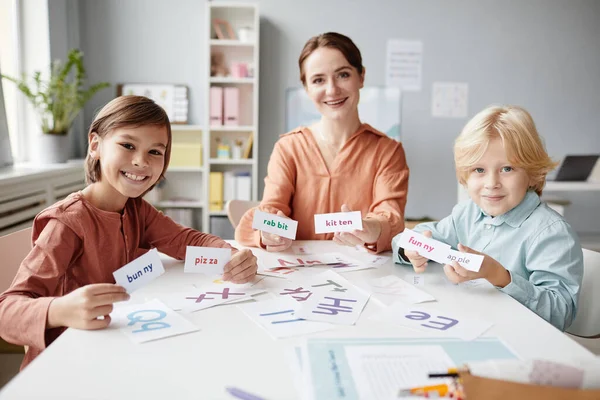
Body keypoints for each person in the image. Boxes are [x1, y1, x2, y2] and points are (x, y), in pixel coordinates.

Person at [0, 96, 258, 368]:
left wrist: (230, 256)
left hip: (121, 348)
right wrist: (59, 310)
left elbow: (187, 241)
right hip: (66, 365)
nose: (141, 162)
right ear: (95, 145)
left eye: (155, 152)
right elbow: (7, 310)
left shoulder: (138, 210)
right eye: (127, 145)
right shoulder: (66, 223)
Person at [392, 105, 583, 331]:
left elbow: (560, 314)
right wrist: (413, 248)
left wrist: (500, 276)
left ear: (533, 174)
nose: (492, 183)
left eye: (507, 169)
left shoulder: (551, 233)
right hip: (470, 325)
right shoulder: (467, 213)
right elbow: (410, 237)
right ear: (465, 176)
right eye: (479, 170)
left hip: (519, 340)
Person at [235, 32, 409, 253]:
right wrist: (269, 231)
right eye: (318, 80)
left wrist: (371, 228)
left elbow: (390, 216)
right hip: (298, 272)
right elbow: (271, 209)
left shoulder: (388, 151)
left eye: (343, 75)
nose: (332, 90)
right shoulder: (288, 148)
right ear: (306, 87)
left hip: (364, 273)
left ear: (361, 77)